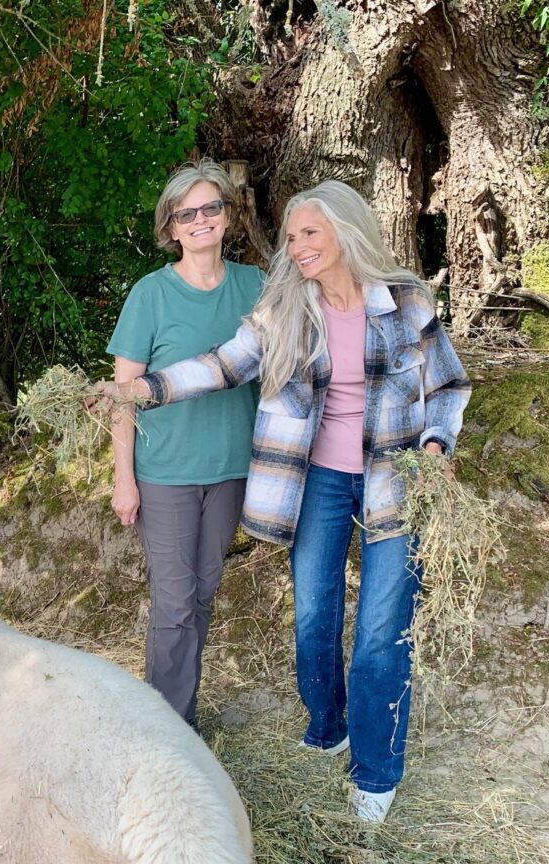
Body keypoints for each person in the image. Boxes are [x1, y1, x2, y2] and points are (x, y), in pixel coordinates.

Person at [96, 180, 471, 822]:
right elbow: (221, 365)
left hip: (393, 478)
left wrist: (434, 448)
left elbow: (448, 385)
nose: (296, 248)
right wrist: (141, 391)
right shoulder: (286, 307)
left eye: (309, 235)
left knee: (382, 627)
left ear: (345, 233)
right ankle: (329, 727)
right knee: (312, 619)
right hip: (317, 480)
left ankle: (375, 774)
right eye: (292, 236)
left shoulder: (405, 300)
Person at [107, 160, 264, 728]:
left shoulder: (255, 286)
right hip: (166, 472)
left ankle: (175, 712)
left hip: (229, 469)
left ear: (227, 215)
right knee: (174, 604)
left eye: (211, 209)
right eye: (187, 213)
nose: (201, 221)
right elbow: (125, 394)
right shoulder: (151, 295)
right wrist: (124, 478)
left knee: (202, 595)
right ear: (171, 227)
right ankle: (169, 730)